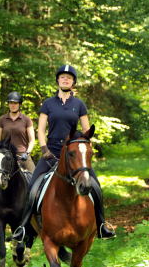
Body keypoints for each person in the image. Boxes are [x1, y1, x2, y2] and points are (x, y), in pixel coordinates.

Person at [13, 64, 115, 240]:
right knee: (32, 188)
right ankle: (23, 228)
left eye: (69, 77)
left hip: (74, 154)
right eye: (62, 77)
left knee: (96, 187)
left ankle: (101, 225)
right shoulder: (48, 104)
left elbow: (86, 131)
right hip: (51, 151)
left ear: (73, 82)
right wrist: (44, 149)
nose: (65, 79)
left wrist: (83, 149)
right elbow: (41, 130)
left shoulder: (79, 105)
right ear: (58, 80)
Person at [0, 91, 35, 224]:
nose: (13, 105)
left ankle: (37, 213)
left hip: (22, 156)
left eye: (15, 103)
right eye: (11, 103)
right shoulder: (2, 120)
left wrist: (27, 153)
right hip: (5, 157)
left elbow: (32, 140)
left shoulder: (26, 120)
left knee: (36, 181)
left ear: (19, 104)